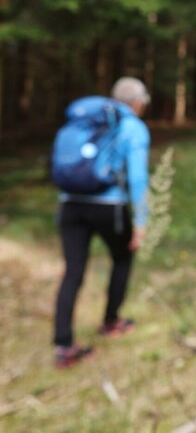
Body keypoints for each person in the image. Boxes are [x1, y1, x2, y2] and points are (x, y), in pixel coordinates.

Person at [53, 77, 151, 369]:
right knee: (122, 258)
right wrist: (142, 222)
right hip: (109, 206)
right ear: (136, 102)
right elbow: (137, 178)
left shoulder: (82, 123)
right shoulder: (132, 127)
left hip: (70, 203)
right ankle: (111, 321)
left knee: (73, 271)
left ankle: (63, 344)